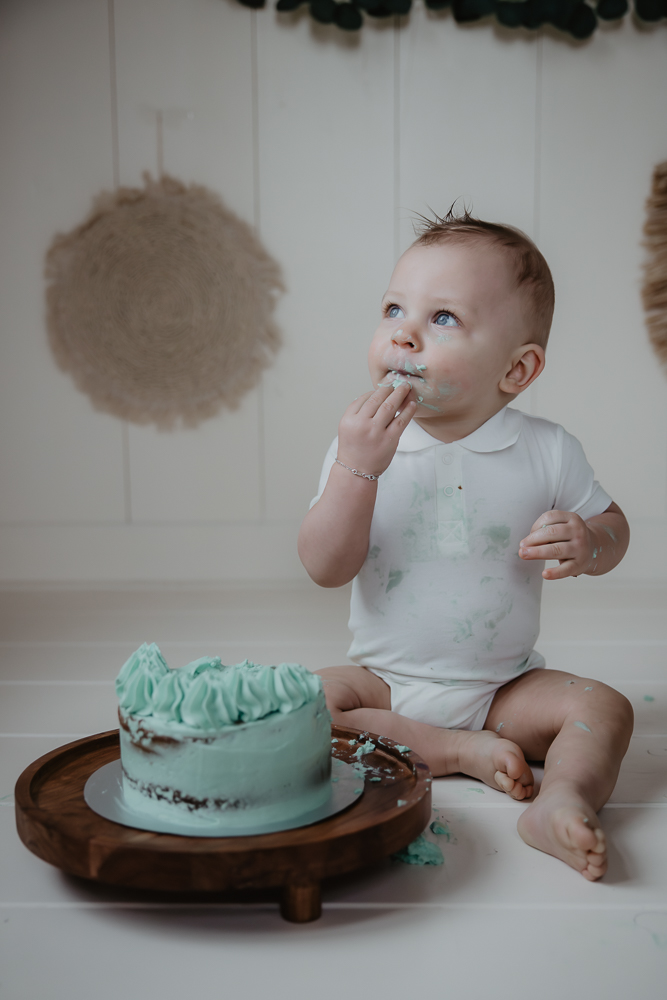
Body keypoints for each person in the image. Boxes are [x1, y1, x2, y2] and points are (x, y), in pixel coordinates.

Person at [298, 210, 632, 881]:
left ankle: (561, 800)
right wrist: (357, 469)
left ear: (516, 369)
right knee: (301, 705)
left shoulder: (544, 450)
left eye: (441, 318)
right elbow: (323, 567)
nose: (403, 331)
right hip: (384, 687)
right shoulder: (358, 446)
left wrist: (589, 542)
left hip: (503, 689)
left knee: (603, 709)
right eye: (394, 307)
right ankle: (451, 751)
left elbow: (614, 527)